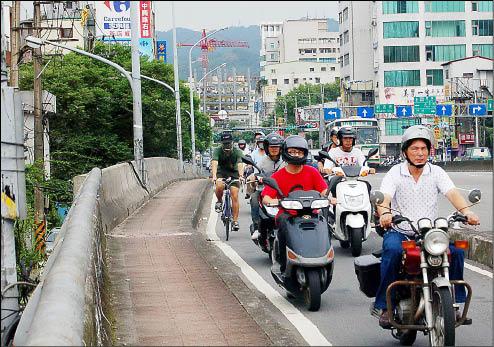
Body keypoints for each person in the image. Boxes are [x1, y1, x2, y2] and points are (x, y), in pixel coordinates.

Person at [374, 125, 480, 328]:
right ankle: (385, 306)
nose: (420, 153)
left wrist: (468, 212)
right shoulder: (395, 173)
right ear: (405, 151)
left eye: (424, 148)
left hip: (430, 234)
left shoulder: (436, 172)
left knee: (457, 252)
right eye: (415, 148)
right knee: (393, 251)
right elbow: (384, 198)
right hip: (401, 232)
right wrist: (385, 214)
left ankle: (455, 303)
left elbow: (452, 193)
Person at [262, 135, 329, 272]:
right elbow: (266, 197)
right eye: (292, 151)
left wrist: (330, 198)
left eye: (300, 152)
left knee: (323, 224)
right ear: (286, 152)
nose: (296, 155)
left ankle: (324, 257)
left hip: (311, 213)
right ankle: (282, 263)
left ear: (305, 153)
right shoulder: (278, 175)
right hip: (287, 215)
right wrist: (272, 201)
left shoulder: (312, 172)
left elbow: (324, 190)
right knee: (283, 228)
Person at [249, 132, 286, 242]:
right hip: (265, 190)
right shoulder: (262, 161)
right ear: (266, 148)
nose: (274, 149)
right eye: (271, 147)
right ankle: (256, 227)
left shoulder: (286, 161)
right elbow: (255, 174)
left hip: (282, 190)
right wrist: (253, 178)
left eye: (277, 147)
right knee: (254, 199)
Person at [323, 126, 375, 199]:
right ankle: (333, 207)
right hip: (338, 181)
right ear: (340, 139)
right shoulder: (333, 152)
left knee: (367, 185)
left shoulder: (357, 152)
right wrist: (328, 170)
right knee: (332, 188)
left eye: (350, 138)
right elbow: (327, 167)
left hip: (354, 181)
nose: (348, 141)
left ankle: (369, 208)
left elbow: (364, 166)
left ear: (353, 140)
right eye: (345, 138)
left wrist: (369, 169)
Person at [211, 132, 244, 231]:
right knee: (219, 185)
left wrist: (241, 176)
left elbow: (240, 163)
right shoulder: (217, 151)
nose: (227, 146)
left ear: (232, 142)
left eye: (229, 143)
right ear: (222, 143)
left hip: (234, 173)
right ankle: (220, 201)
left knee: (234, 194)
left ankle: (235, 221)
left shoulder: (237, 151)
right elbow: (214, 162)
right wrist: (214, 176)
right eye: (225, 143)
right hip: (221, 172)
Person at [246, 134, 266, 199]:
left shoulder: (269, 152)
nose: (261, 144)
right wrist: (248, 165)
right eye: (260, 143)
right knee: (249, 179)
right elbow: (250, 162)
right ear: (257, 144)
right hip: (256, 174)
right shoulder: (254, 153)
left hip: (267, 174)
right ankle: (249, 193)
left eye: (263, 143)